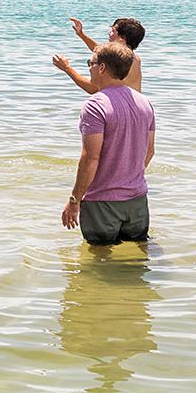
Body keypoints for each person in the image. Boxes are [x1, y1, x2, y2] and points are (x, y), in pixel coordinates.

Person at [61, 42, 156, 246]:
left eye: (90, 63)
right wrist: (128, 179)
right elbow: (149, 152)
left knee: (99, 267)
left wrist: (74, 200)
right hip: (137, 201)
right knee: (136, 265)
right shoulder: (144, 102)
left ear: (102, 67)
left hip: (102, 203)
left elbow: (90, 159)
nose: (89, 68)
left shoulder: (95, 105)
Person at [53, 16, 145, 94]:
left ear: (122, 38)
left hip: (121, 110)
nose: (109, 33)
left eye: (113, 31)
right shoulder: (133, 58)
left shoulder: (116, 60)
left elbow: (92, 88)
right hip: (136, 108)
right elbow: (101, 50)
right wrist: (81, 35)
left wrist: (66, 68)